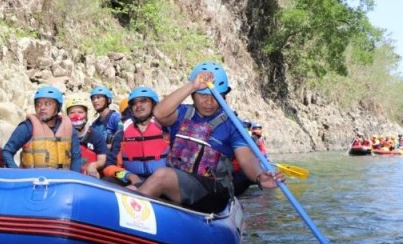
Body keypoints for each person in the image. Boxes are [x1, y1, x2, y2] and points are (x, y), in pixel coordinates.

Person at [134, 62, 285, 213]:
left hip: (213, 192)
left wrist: (259, 176)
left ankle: (134, 215)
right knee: (130, 188)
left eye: (215, 96)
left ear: (224, 96)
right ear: (193, 95)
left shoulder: (232, 125)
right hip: (180, 184)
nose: (209, 102)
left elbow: (247, 159)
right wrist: (192, 85)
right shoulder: (182, 114)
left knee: (162, 175)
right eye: (202, 95)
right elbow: (159, 113)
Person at [1, 85, 81, 171]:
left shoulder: (69, 129)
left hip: (61, 181)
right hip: (33, 181)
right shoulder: (27, 127)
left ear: (57, 107)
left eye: (47, 104)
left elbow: (76, 159)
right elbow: (7, 152)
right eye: (38, 104)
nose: (42, 107)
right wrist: (17, 174)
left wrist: (73, 179)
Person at [102, 86, 169, 186]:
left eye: (143, 101)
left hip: (163, 183)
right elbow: (109, 167)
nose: (138, 105)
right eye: (134, 103)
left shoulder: (167, 130)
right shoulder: (122, 134)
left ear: (154, 104)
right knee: (107, 181)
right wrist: (129, 176)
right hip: (133, 182)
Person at [65, 95, 107, 177]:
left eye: (80, 112)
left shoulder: (96, 135)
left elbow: (102, 159)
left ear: (86, 114)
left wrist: (93, 166)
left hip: (90, 175)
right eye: (72, 113)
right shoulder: (63, 135)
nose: (76, 116)